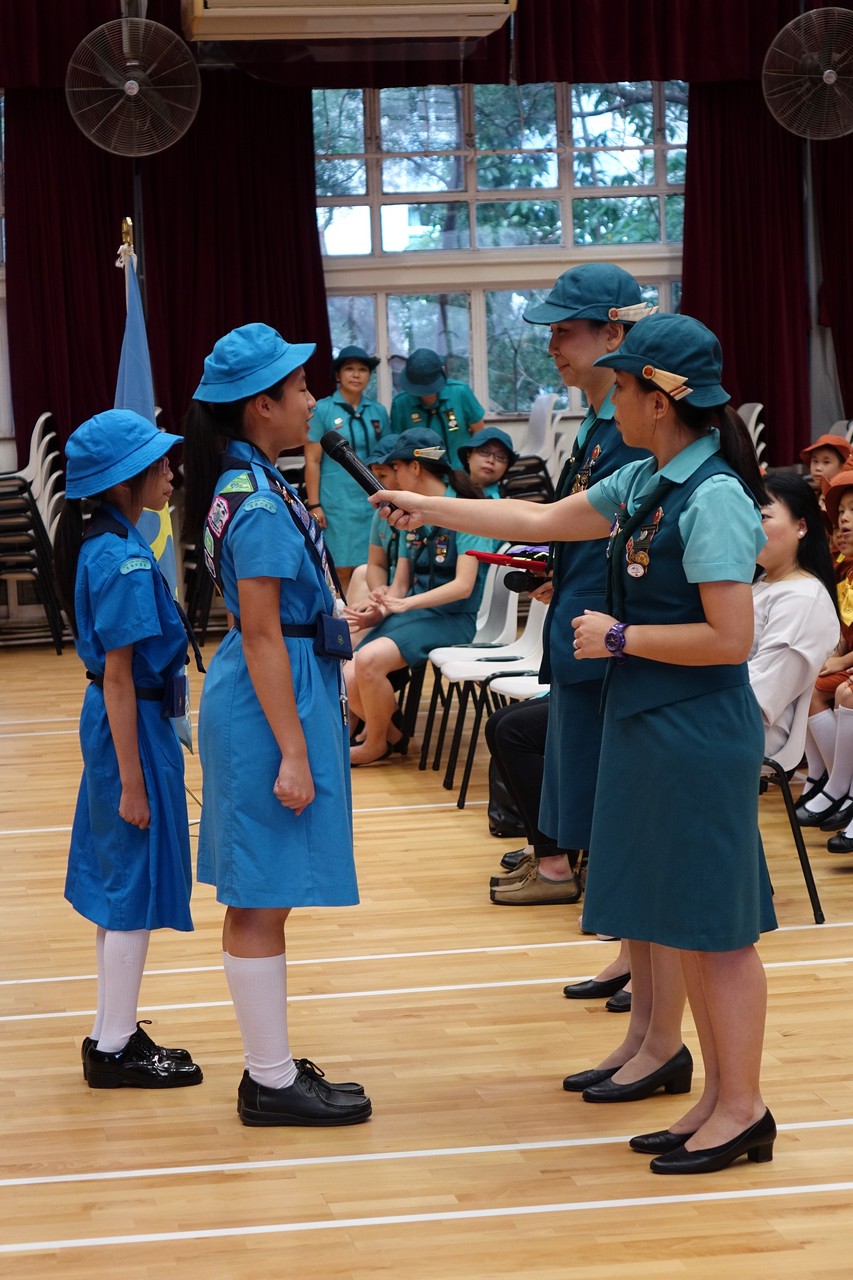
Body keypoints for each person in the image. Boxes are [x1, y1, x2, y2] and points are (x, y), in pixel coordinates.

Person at [373, 312, 778, 1174]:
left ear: (659, 402)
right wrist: (425, 503)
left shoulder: (711, 497)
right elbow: (541, 516)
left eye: (622, 386)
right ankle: (715, 1098)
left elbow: (730, 639)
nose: (611, 399)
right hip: (651, 722)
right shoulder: (648, 480)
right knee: (680, 924)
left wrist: (620, 638)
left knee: (716, 930)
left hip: (695, 729)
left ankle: (743, 1106)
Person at [182, 322, 371, 1128]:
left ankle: (276, 1068)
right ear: (261, 405)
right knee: (260, 895)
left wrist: (341, 617)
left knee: (267, 892)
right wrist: (293, 751)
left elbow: (279, 619)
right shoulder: (256, 500)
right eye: (298, 388)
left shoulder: (256, 481)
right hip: (270, 702)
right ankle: (268, 1079)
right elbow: (258, 634)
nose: (310, 398)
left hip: (285, 679)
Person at [489, 263, 652, 909]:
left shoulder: (632, 431)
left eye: (564, 331)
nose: (552, 346)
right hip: (578, 625)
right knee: (582, 777)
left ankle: (621, 915)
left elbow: (631, 546)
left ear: (613, 334)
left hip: (607, 635)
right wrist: (560, 569)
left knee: (609, 786)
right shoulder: (594, 423)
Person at [53, 409, 203, 1090]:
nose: (170, 471)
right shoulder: (123, 558)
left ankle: (110, 1031)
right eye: (158, 462)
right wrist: (133, 783)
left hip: (130, 720)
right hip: (129, 726)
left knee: (123, 884)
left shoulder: (110, 543)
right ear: (123, 481)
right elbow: (119, 676)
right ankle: (113, 1049)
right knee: (132, 885)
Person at [345, 426, 492, 766]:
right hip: (415, 615)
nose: (392, 476)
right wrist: (379, 611)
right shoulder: (411, 515)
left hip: (453, 619)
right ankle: (394, 736)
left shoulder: (466, 511)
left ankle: (376, 742)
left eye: (395, 468)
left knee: (367, 662)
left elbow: (463, 586)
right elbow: (399, 585)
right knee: (345, 666)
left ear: (414, 467)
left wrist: (406, 603)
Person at [794, 468, 853, 837]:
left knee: (843, 692)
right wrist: (837, 652)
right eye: (841, 512)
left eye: (852, 510)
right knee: (807, 679)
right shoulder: (846, 572)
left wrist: (843, 661)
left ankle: (840, 784)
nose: (843, 520)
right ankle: (828, 778)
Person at [304, 344, 389, 587]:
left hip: (371, 497)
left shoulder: (378, 411)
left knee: (372, 565)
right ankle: (344, 611)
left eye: (363, 369)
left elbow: (387, 457)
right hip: (336, 501)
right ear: (338, 375)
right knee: (339, 566)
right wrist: (315, 504)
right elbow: (312, 460)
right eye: (349, 369)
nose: (356, 374)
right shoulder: (322, 409)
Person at [390, 348, 484, 469]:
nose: (425, 393)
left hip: (462, 472)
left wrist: (473, 466)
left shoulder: (460, 392)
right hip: (421, 475)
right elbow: (398, 447)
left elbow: (479, 433)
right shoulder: (400, 404)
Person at [344, 433, 401, 613]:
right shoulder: (381, 513)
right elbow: (377, 564)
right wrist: (379, 592)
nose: (374, 486)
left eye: (382, 476)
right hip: (390, 589)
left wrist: (385, 603)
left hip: (412, 593)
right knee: (362, 572)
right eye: (373, 477)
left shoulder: (421, 512)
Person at [457, 425, 518, 498]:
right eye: (484, 452)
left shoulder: (503, 502)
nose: (491, 460)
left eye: (500, 457)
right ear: (469, 456)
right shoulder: (450, 488)